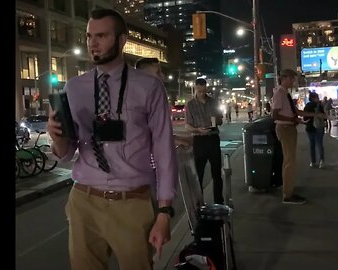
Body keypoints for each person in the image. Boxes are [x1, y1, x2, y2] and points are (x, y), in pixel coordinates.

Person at [47, 9, 177, 269]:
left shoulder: (149, 87)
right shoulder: (74, 88)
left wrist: (164, 212)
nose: (92, 43)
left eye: (102, 36)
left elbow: (164, 150)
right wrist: (57, 135)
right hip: (84, 199)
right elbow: (64, 153)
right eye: (89, 36)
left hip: (132, 203)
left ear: (122, 40)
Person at [271, 69, 325, 204]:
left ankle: (289, 191)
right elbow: (275, 115)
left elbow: (295, 112)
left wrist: (312, 116)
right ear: (284, 78)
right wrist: (292, 120)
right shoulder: (280, 94)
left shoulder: (285, 94)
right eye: (291, 79)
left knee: (290, 161)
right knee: (289, 161)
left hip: (288, 127)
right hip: (285, 128)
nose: (293, 82)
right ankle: (288, 194)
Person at [135, 57, 191, 147]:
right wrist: (178, 140)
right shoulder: (136, 102)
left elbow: (158, 131)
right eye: (158, 72)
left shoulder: (154, 98)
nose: (162, 76)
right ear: (143, 76)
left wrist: (178, 139)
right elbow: (144, 135)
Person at [185, 78, 224, 204]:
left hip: (213, 138)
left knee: (217, 173)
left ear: (206, 88)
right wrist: (197, 130)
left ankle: (219, 201)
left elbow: (220, 120)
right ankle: (199, 203)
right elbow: (187, 125)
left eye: (204, 91)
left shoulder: (213, 102)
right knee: (199, 174)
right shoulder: (190, 104)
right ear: (195, 88)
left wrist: (216, 120)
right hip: (199, 140)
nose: (202, 93)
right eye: (199, 91)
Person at [303, 92, 326, 168]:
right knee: (319, 144)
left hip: (309, 128)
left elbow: (304, 117)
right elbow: (324, 117)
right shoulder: (319, 106)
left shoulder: (307, 106)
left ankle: (313, 161)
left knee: (312, 145)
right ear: (315, 98)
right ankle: (321, 161)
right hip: (319, 127)